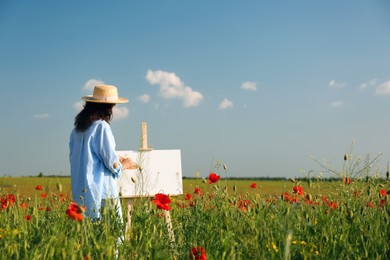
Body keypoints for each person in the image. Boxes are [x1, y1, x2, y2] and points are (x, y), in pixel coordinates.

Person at [69, 84, 133, 221]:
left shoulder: (76, 131)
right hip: (101, 192)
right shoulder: (101, 126)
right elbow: (111, 162)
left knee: (87, 235)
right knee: (112, 234)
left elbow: (87, 157)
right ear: (108, 107)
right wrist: (124, 165)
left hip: (80, 192)